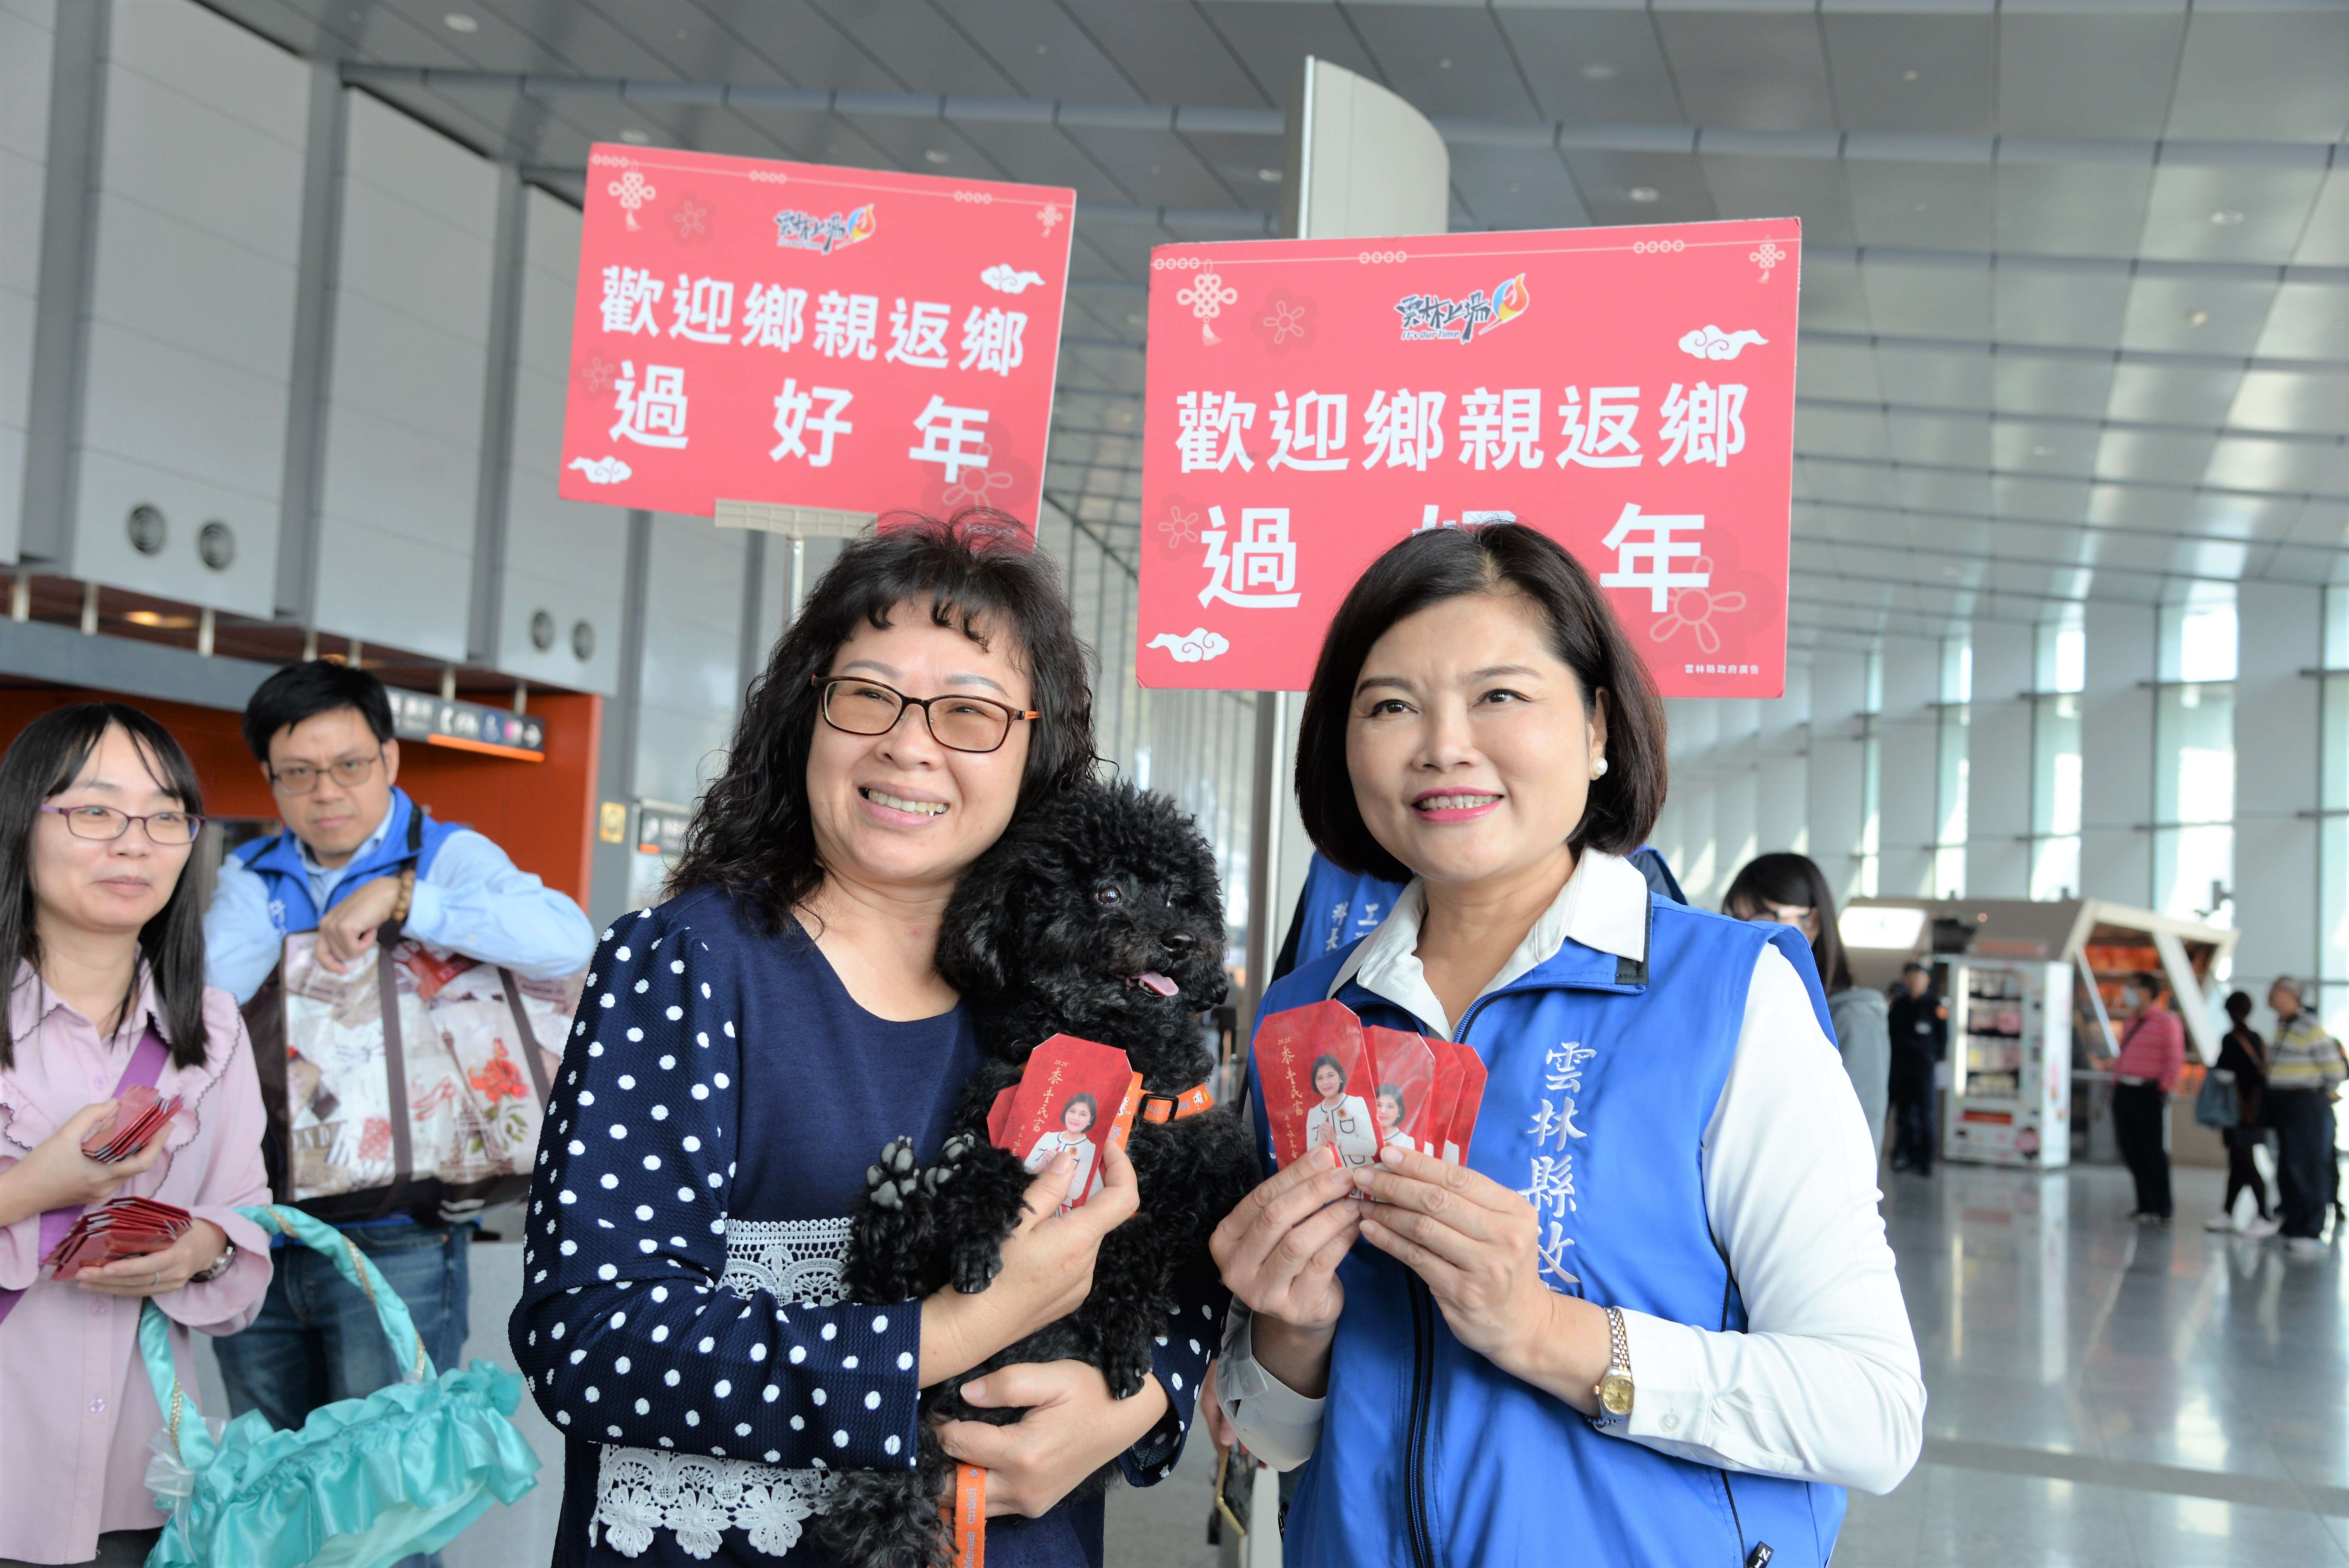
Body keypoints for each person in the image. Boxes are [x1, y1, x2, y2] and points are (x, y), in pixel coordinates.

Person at [509, 514, 1219, 1566]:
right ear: (809, 716)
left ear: (1040, 748)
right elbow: (592, 1339)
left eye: (970, 712)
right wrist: (944, 1337)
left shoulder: (1077, 990)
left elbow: (1183, 1242)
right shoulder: (690, 969)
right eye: (869, 696)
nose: (911, 743)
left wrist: (1139, 1402)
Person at [1208, 523, 1921, 1566]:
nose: (1444, 745)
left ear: (1595, 728)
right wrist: (1290, 1331)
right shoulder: (1307, 1018)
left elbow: (1870, 1411)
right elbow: (1270, 1439)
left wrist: (1545, 1331)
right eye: (1391, 705)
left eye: (1500, 696)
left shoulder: (1729, 995)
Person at [200, 659, 595, 1546]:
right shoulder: (253, 875)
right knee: (275, 1490)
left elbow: (567, 938)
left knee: (392, 1496)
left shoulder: (446, 851)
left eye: (347, 765)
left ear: (388, 757)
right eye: (298, 772)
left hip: (402, 1229)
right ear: (270, 778)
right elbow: (204, 1016)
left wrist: (410, 898)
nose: (325, 792)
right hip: (259, 1225)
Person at [0, 705, 272, 1567]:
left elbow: (245, 1224)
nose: (135, 842)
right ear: (20, 821)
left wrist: (203, 1246)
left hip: (139, 1485)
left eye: (165, 815)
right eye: (95, 810)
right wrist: (37, 1189)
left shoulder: (215, 1030)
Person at [1723, 852, 1889, 1157]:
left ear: (1812, 922)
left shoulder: (1854, 1018)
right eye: (1737, 919)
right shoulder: (1751, 1006)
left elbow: (1859, 1148)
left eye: (1764, 917)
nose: (1747, 933)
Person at [2264, 977, 2345, 1260]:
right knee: (2288, 1165)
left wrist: (2314, 1089)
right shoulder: (2284, 1026)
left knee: (2309, 1167)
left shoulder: (2309, 1028)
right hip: (2285, 1103)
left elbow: (2336, 1070)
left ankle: (2312, 1230)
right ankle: (2293, 1224)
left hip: (2306, 1104)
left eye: (2274, 991)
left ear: (2290, 995)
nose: (2269, 996)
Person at [2108, 970, 2185, 1224]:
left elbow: (2175, 1059)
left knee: (2151, 1150)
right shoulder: (2130, 1022)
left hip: (2149, 1092)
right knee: (2130, 1149)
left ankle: (2161, 1206)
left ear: (2148, 993)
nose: (2127, 993)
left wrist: (2164, 1088)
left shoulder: (2167, 1022)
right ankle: (2144, 1204)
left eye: (2133, 988)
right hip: (2125, 1090)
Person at [2207, 991, 2276, 1236]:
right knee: (2238, 1164)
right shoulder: (2257, 1038)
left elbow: (2223, 1072)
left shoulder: (2231, 1039)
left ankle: (2264, 1215)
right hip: (2254, 1112)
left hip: (2239, 1113)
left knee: (2245, 1163)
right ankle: (2227, 1212)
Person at [1887, 962, 1947, 1174]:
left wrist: (1933, 1057)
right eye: (1911, 977)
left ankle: (1925, 1159)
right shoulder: (1900, 1005)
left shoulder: (1935, 1006)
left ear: (1927, 981)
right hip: (1901, 1068)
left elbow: (1943, 1038)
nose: (1914, 982)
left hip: (1924, 1069)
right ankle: (1904, 1155)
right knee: (1904, 1114)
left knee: (1925, 1114)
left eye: (1919, 978)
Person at [1022, 1094, 1101, 1213]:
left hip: (1058, 1212)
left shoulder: (1089, 1148)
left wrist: (1056, 1165)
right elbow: (1024, 1171)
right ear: (1066, 1112)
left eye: (1083, 1114)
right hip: (1026, 1198)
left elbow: (1076, 1192)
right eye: (1072, 1111)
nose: (1075, 1118)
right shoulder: (1048, 1137)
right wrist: (1042, 1165)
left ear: (1091, 1120)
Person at [1302, 1055, 1378, 1168]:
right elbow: (1310, 1156)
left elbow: (1371, 1148)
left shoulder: (1356, 1103)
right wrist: (1324, 1144)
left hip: (1361, 1174)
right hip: (1331, 1179)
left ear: (1340, 1076)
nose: (1326, 1082)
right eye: (1320, 1078)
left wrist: (1337, 1139)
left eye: (1331, 1076)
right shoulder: (1314, 1113)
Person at [1375, 1085, 1415, 1151]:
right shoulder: (1363, 1138)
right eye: (1379, 1105)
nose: (1383, 1111)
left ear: (1399, 1111)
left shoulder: (1409, 1143)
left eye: (1390, 1107)